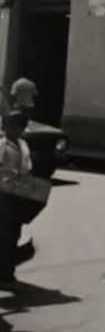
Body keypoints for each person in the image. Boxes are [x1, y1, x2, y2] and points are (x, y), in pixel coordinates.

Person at [0, 110, 35, 287]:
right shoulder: (2, 145)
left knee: (14, 233)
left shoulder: (23, 145)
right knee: (3, 234)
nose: (8, 129)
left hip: (17, 194)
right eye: (7, 125)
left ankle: (8, 271)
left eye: (15, 126)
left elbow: (27, 167)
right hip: (3, 195)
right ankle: (4, 273)